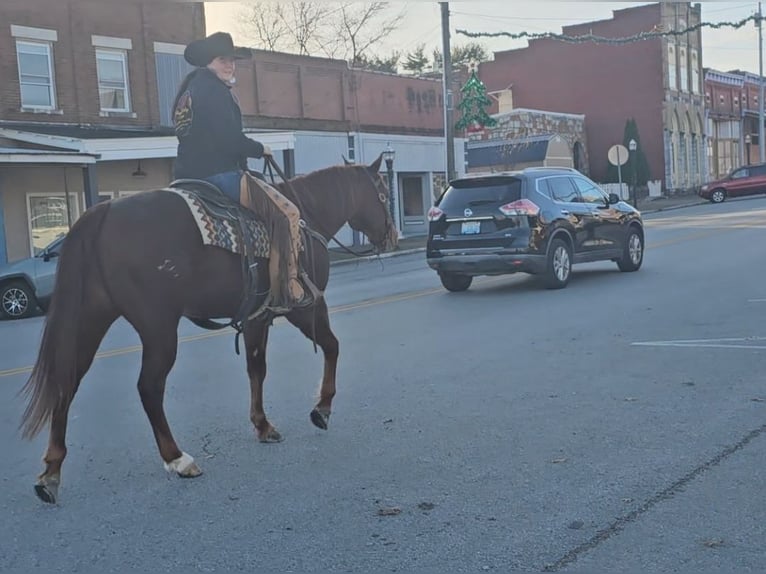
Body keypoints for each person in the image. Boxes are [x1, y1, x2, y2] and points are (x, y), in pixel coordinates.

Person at [172, 32, 309, 307]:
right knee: (288, 215)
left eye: (232, 61)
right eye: (223, 60)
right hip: (220, 174)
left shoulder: (188, 91)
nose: (230, 66)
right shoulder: (215, 91)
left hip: (186, 177)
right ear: (209, 61)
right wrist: (261, 149)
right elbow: (230, 140)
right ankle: (286, 287)